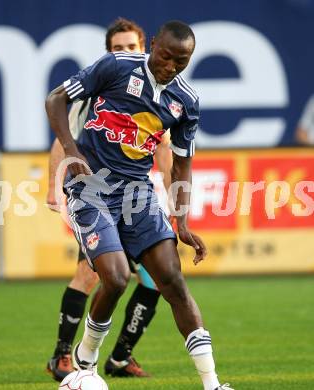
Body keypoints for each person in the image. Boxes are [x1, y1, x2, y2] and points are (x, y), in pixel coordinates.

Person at [45, 20, 233, 390]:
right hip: (90, 187)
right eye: (165, 56)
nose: (170, 66)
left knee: (173, 282)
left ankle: (212, 384)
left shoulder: (186, 101)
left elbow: (181, 166)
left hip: (138, 194)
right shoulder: (117, 66)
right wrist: (71, 150)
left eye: (181, 61)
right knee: (114, 279)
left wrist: (181, 223)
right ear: (153, 46)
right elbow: (56, 99)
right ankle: (85, 359)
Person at [46, 17, 172, 382]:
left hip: (139, 196)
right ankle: (61, 357)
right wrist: (55, 188)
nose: (125, 53)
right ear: (109, 52)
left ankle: (120, 357)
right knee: (90, 273)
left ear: (144, 47)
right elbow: (62, 139)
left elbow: (164, 146)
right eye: (118, 48)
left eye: (131, 47)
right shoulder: (98, 90)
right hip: (97, 194)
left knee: (153, 280)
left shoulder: (158, 90)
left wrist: (170, 193)